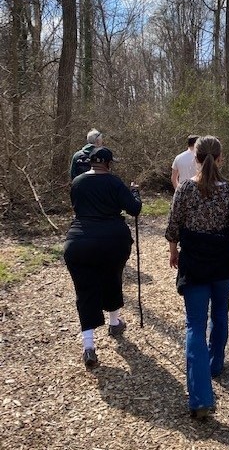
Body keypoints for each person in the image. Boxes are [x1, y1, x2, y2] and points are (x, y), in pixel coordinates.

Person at [165, 135, 229, 419]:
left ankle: (200, 398)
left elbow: (173, 226)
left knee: (195, 324)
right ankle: (215, 364)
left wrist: (173, 252)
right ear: (220, 158)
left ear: (195, 159)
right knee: (219, 314)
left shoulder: (183, 190)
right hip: (222, 264)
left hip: (194, 263)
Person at [64, 146, 142, 369]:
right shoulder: (115, 182)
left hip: (78, 242)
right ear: (108, 164)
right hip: (112, 241)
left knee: (84, 291)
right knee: (112, 278)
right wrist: (135, 192)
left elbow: (78, 208)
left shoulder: (77, 182)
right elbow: (134, 209)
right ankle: (114, 323)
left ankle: (88, 346)